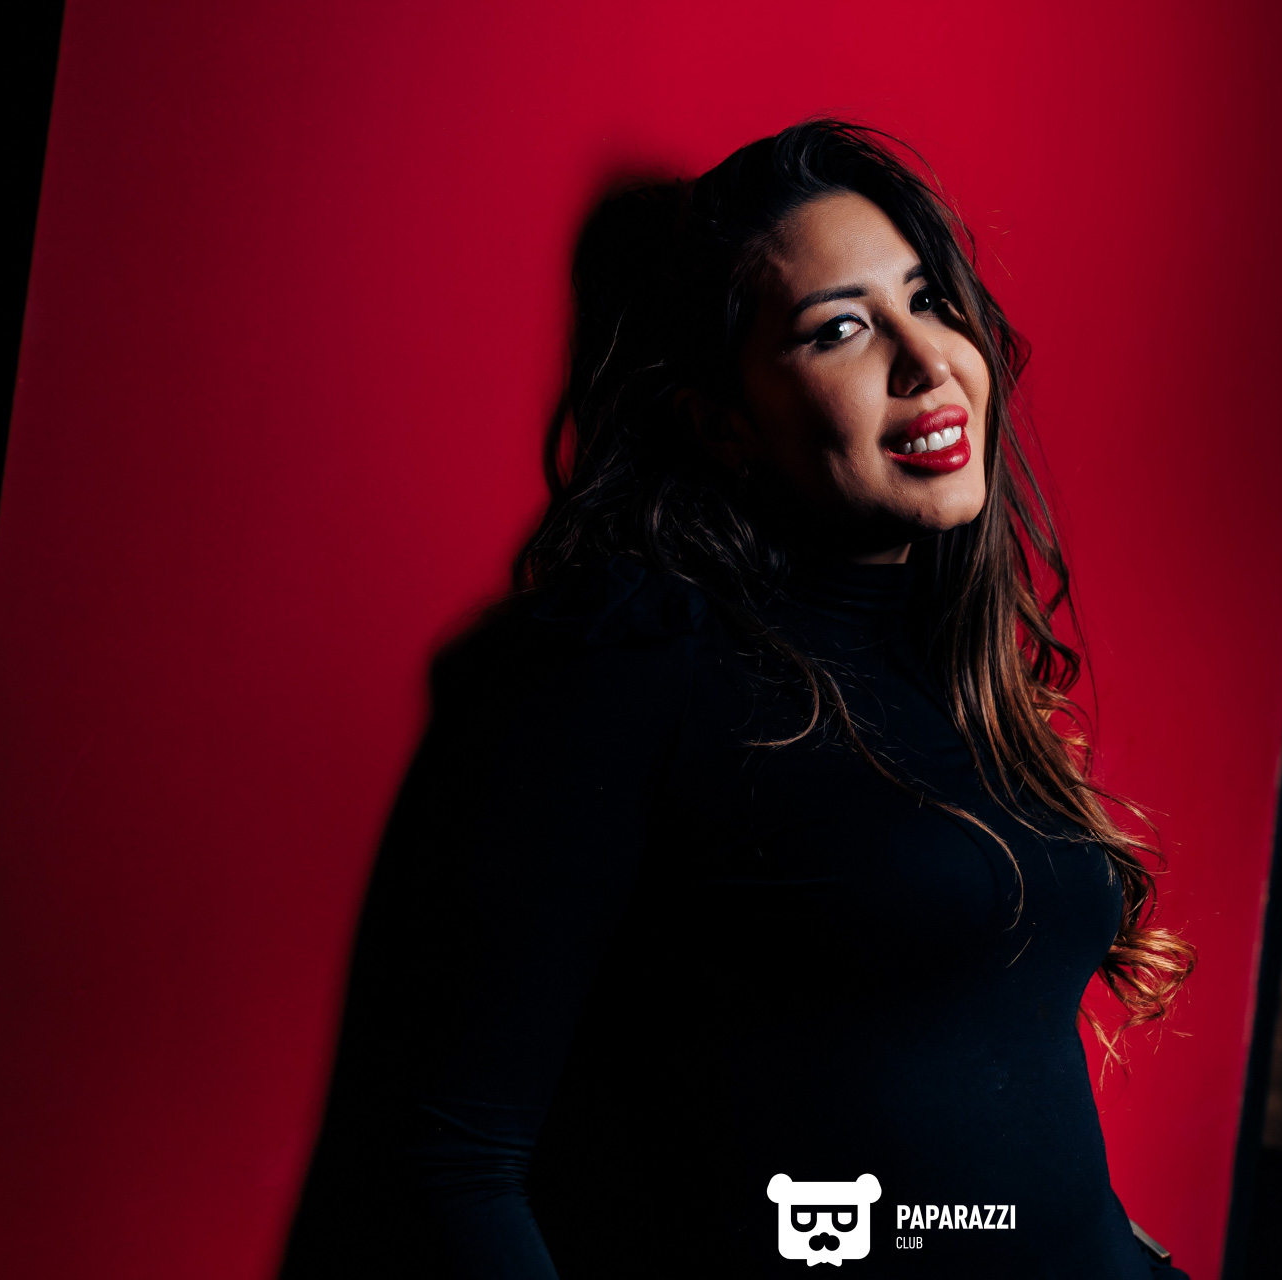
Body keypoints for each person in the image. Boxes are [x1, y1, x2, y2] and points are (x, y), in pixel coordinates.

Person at [282, 119, 1193, 1279]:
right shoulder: (633, 661)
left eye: (928, 300)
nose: (928, 360)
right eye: (840, 328)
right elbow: (448, 1161)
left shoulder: (966, 673)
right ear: (723, 420)